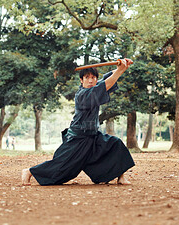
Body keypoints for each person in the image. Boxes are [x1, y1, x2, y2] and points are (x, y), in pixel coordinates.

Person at [22, 58, 135, 186]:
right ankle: (30, 171)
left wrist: (122, 67)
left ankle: (121, 177)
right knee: (63, 168)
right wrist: (119, 71)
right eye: (87, 77)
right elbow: (106, 85)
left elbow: (106, 81)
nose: (91, 80)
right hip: (78, 137)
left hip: (93, 136)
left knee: (115, 144)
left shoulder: (96, 87)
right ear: (81, 80)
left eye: (93, 77)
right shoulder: (82, 95)